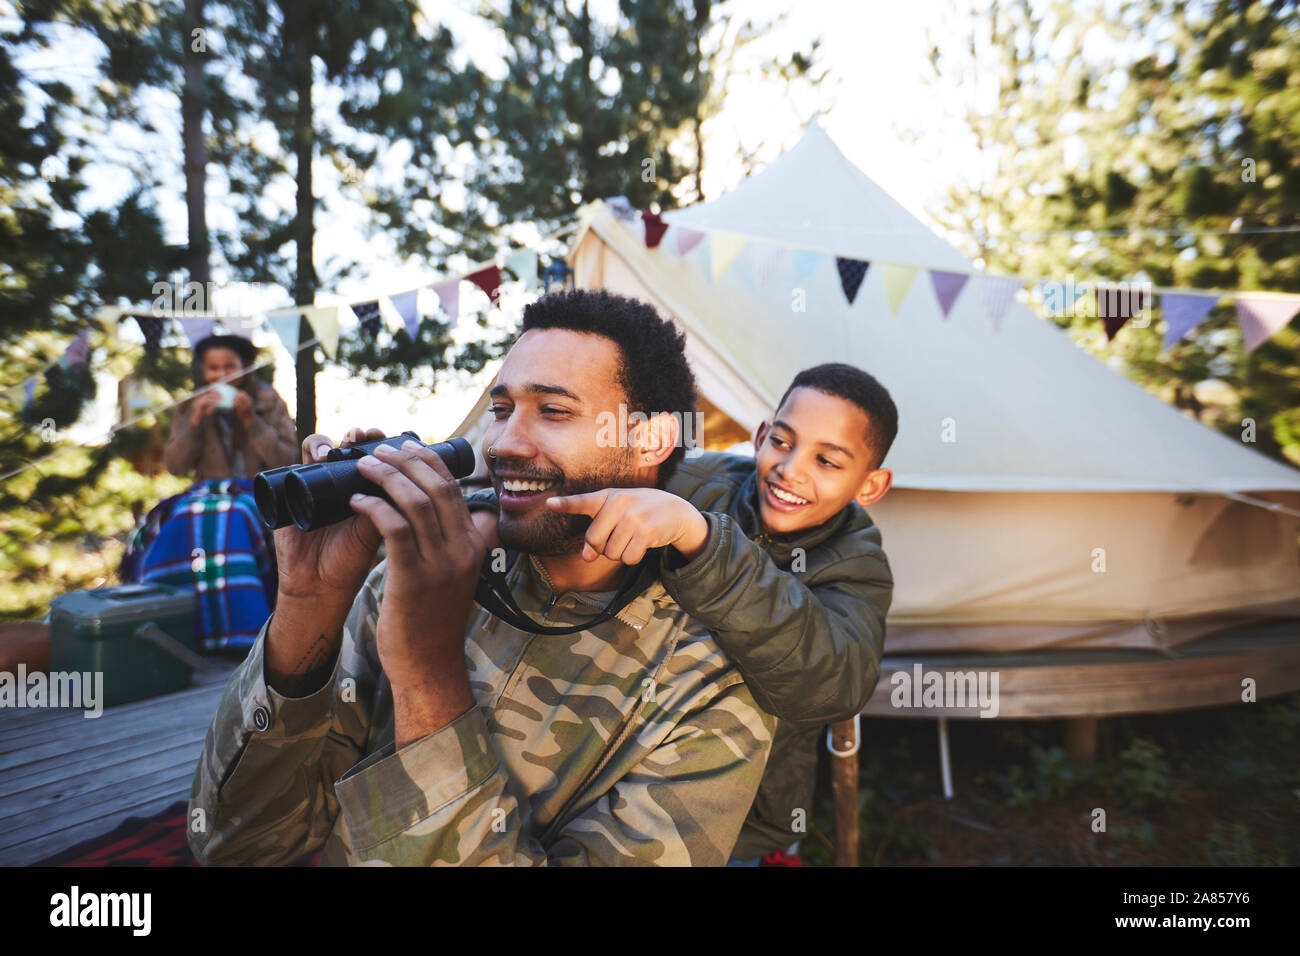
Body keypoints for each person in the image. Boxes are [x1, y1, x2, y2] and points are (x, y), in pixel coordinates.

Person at [187, 289, 777, 866]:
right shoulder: (412, 581)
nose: (501, 443)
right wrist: (308, 605)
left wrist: (427, 679)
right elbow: (235, 844)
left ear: (649, 439)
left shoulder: (711, 680)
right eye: (500, 410)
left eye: (553, 411)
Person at [472, 362, 897, 865]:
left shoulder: (857, 564)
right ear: (761, 436)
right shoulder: (694, 479)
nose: (792, 469)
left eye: (827, 461)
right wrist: (470, 501)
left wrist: (702, 543)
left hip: (743, 820)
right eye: (783, 442)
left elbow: (835, 682)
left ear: (870, 485)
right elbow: (568, 500)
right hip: (616, 768)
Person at [163, 333, 298, 481]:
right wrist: (195, 419)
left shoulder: (269, 401)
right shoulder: (189, 406)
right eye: (213, 368)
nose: (222, 375)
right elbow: (175, 467)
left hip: (260, 493)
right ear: (203, 370)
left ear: (244, 367)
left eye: (230, 367)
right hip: (210, 496)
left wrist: (251, 419)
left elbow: (288, 462)